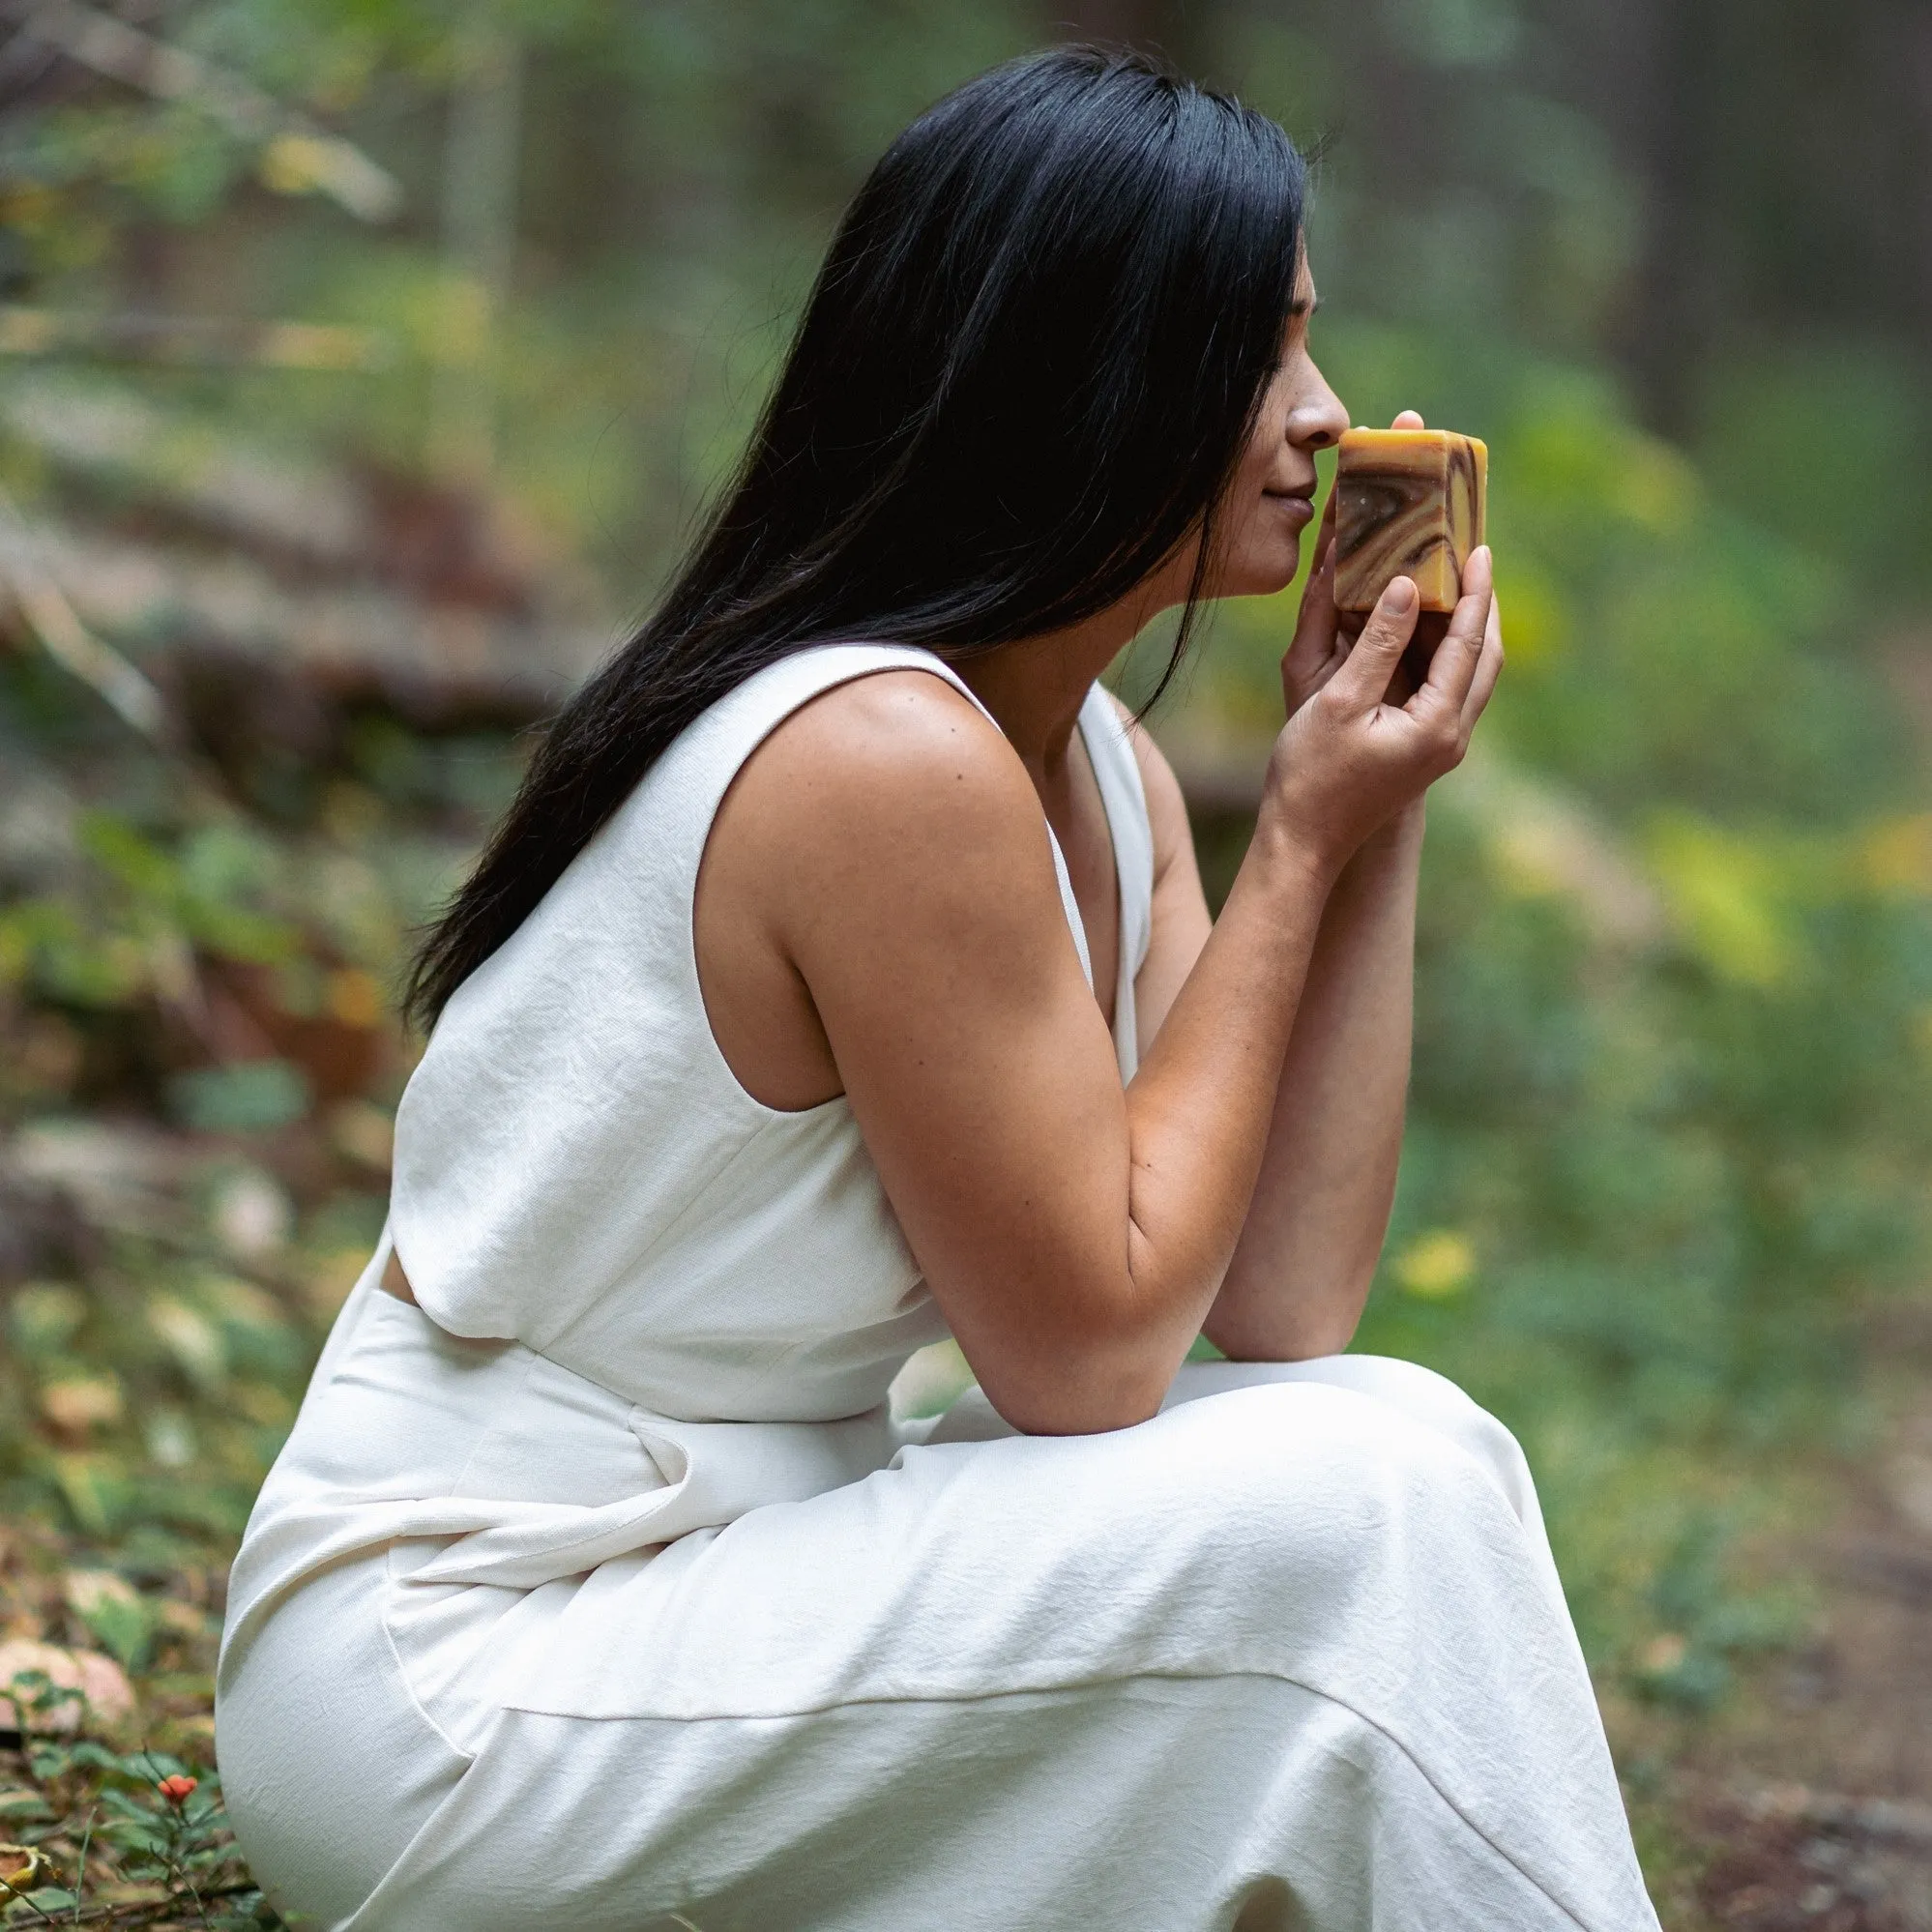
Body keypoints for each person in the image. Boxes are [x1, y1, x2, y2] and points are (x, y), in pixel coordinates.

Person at [216, 44, 1660, 1932]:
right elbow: (1086, 1361)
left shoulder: (1097, 780)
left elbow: (1287, 1301)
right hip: (468, 1677)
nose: (1319, 423)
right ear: (1084, 371)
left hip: (733, 1580)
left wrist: (1364, 801)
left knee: (1400, 1439)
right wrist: (1294, 843)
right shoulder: (878, 762)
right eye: (1262, 352)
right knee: (1367, 1508)